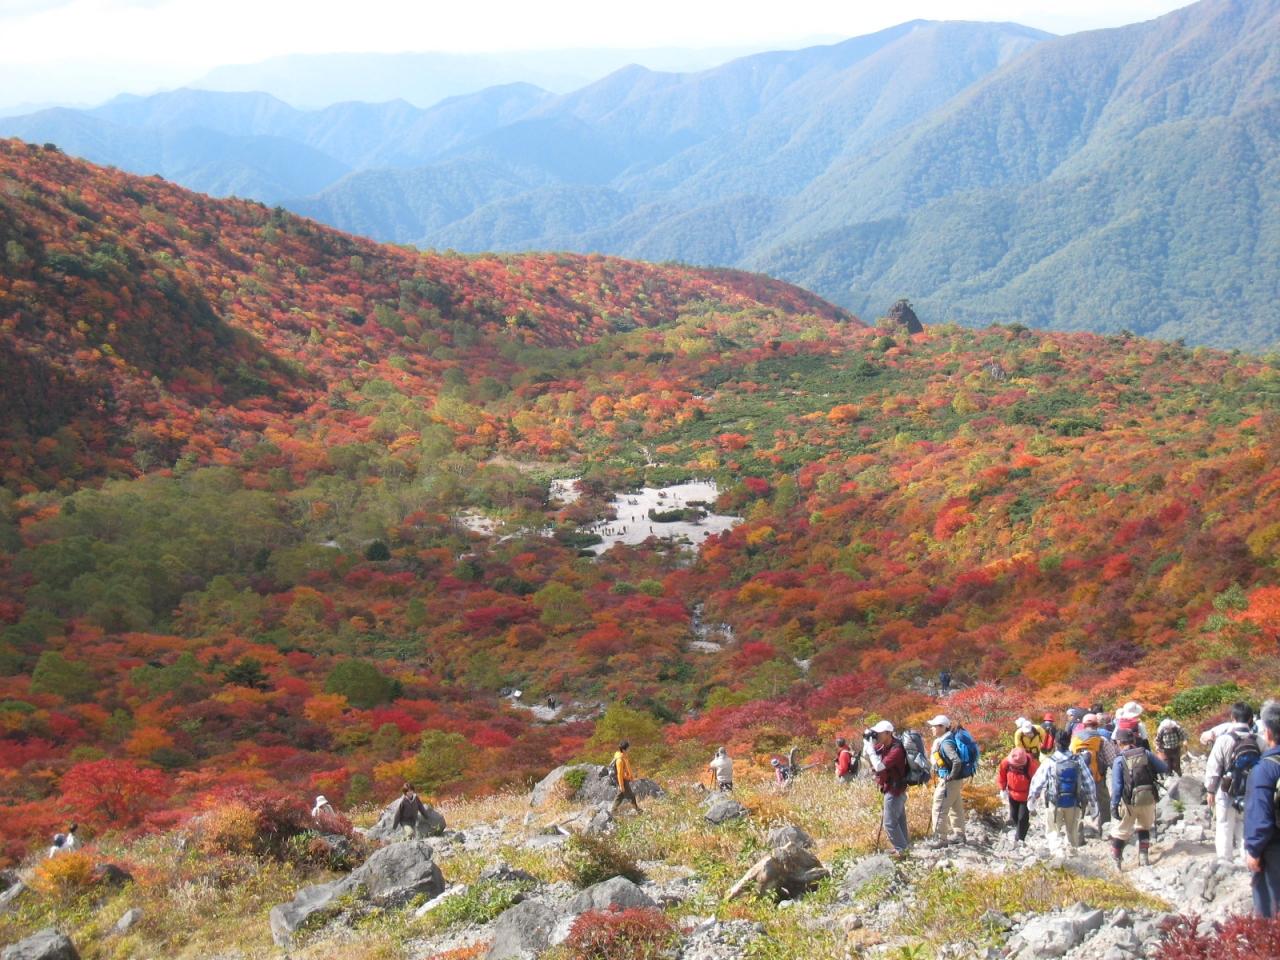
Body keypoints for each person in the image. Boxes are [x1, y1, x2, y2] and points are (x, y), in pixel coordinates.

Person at [1205, 701, 1260, 865]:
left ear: (1232, 718)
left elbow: (1214, 766)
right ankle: (1247, 859)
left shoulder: (1224, 740)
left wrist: (1210, 790)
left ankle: (1225, 860)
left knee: (1224, 824)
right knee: (1246, 824)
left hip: (1226, 788)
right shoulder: (1258, 740)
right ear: (1250, 719)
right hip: (1251, 790)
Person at [1109, 726, 1168, 869]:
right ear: (1133, 740)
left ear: (1119, 742)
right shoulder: (1146, 753)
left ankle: (1116, 861)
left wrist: (1114, 805)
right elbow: (1164, 768)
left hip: (1129, 801)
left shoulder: (1119, 760)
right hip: (1148, 797)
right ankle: (1144, 858)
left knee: (1121, 831)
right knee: (1144, 827)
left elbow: (1117, 786)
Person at [1028, 740, 1096, 855]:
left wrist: (1032, 799)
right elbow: (1089, 783)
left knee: (1053, 832)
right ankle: (1073, 857)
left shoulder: (1050, 761)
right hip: (1074, 803)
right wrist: (1093, 805)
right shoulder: (1078, 760)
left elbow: (1037, 782)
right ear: (1069, 743)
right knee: (1072, 832)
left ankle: (1058, 857)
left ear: (1056, 744)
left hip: (1055, 803)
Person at [1244, 699, 1280, 917]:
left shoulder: (1265, 769)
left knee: (1270, 909)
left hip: (1273, 846)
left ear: (1268, 733)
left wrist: (1253, 850)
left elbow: (1260, 813)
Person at [862, 720, 910, 854]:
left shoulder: (896, 749)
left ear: (888, 733)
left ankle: (901, 850)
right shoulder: (885, 746)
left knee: (889, 823)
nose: (877, 735)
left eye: (879, 733)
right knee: (899, 820)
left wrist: (871, 749)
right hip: (893, 787)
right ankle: (904, 847)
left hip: (895, 790)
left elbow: (879, 766)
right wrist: (867, 743)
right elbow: (866, 756)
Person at [1071, 713, 1118, 835]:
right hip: (1098, 778)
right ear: (1097, 725)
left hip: (1079, 779)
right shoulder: (1102, 740)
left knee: (1080, 804)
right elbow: (1112, 761)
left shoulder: (1075, 740)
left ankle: (1078, 832)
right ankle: (1105, 829)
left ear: (1083, 725)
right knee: (1104, 802)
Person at [928, 714, 967, 844]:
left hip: (949, 781)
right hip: (956, 781)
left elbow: (956, 761)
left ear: (942, 727)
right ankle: (959, 834)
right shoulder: (949, 739)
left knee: (939, 808)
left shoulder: (945, 744)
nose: (932, 728)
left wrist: (950, 777)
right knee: (956, 807)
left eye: (934, 726)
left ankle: (940, 839)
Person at [998, 747, 1039, 843]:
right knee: (1014, 816)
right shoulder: (1006, 763)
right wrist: (1002, 789)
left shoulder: (1031, 766)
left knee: (1022, 818)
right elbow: (1001, 775)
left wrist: (1034, 798)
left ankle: (1019, 839)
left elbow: (1037, 783)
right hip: (1012, 794)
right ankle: (1024, 827)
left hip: (1026, 797)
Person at [611, 740, 641, 814]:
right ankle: (637, 810)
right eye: (628, 748)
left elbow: (627, 768)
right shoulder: (620, 760)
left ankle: (613, 810)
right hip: (622, 779)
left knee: (621, 795)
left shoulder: (623, 756)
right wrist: (621, 785)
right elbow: (619, 774)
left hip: (624, 778)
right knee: (631, 795)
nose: (629, 749)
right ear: (624, 749)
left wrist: (631, 777)